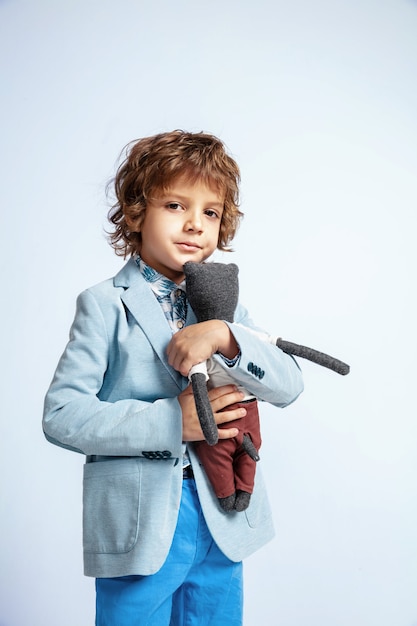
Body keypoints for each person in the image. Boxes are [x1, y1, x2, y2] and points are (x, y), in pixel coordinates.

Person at [43, 129, 304, 625]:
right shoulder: (104, 305)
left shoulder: (226, 307)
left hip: (223, 517)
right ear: (138, 212)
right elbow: (61, 415)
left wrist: (226, 336)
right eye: (175, 205)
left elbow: (289, 385)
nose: (195, 225)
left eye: (210, 212)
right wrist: (172, 421)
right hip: (142, 523)